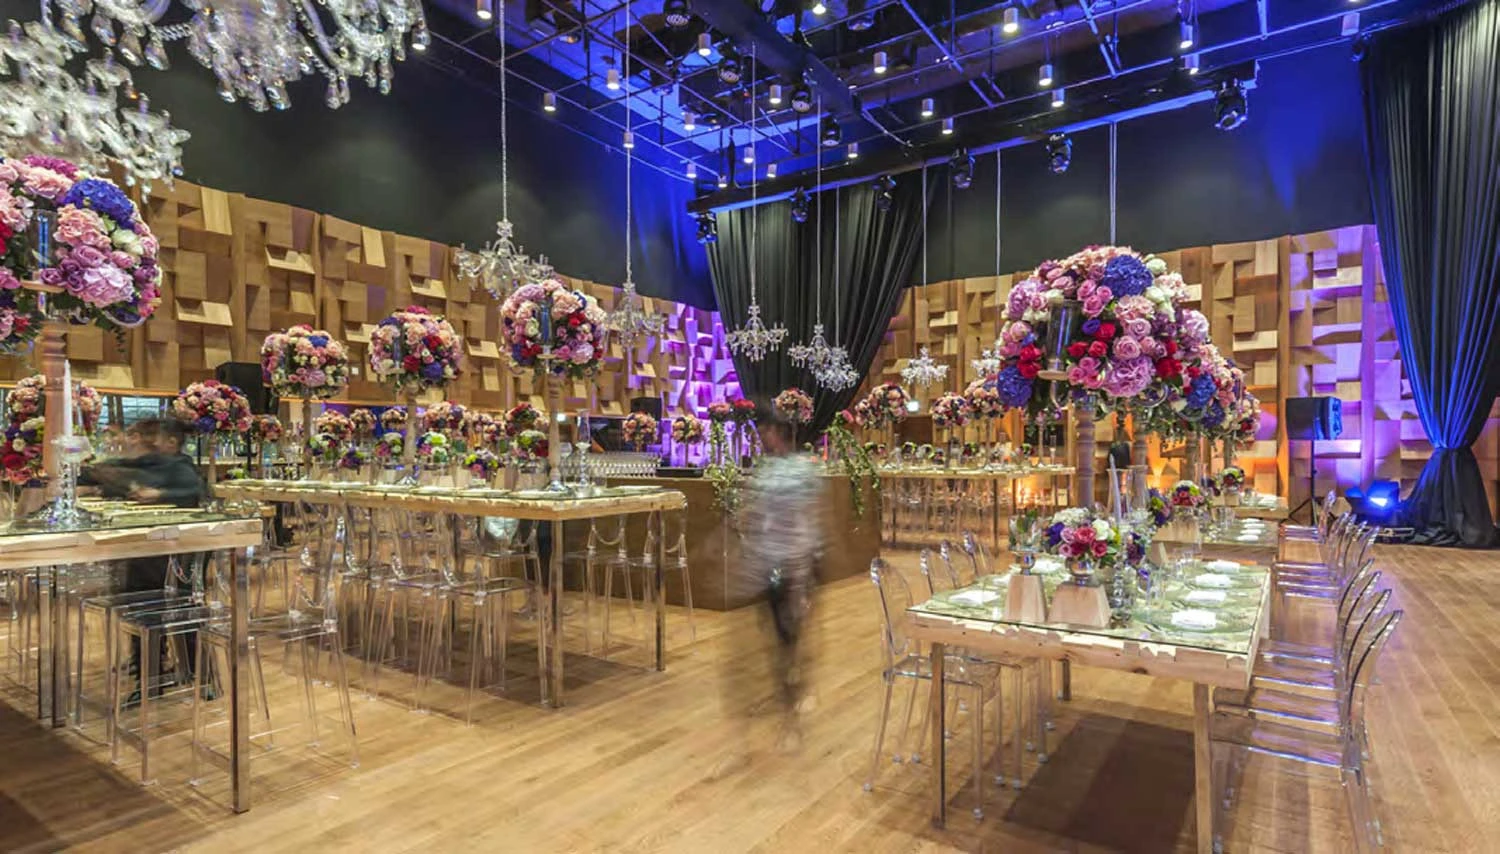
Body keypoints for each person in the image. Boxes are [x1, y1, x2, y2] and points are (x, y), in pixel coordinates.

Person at [724, 401, 825, 755]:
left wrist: (809, 566)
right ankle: (787, 690)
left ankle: (792, 708)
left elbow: (808, 520)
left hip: (796, 564)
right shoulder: (766, 470)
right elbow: (756, 515)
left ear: (780, 432)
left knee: (789, 636)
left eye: (766, 431)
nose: (762, 438)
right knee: (775, 636)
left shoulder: (804, 470)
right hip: (768, 563)